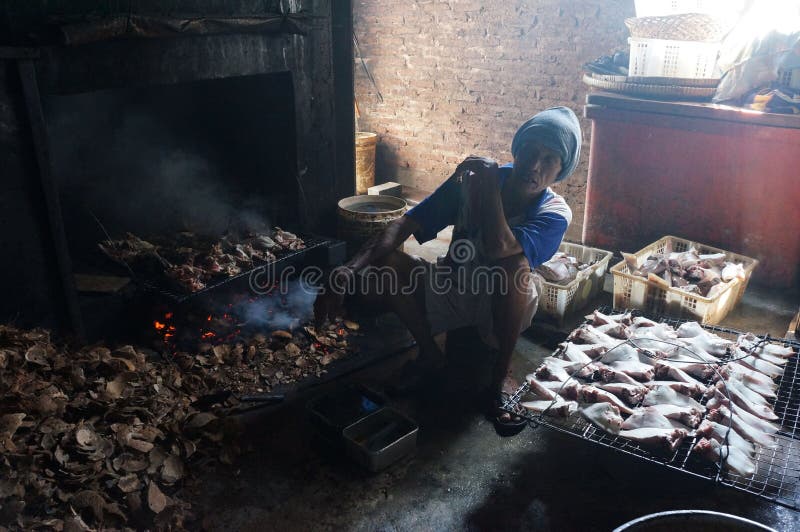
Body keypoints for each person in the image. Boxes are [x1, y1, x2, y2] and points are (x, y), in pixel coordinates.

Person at [314, 106, 581, 433]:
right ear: (517, 149)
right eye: (530, 151)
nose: (535, 166)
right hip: (453, 285)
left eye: (550, 159)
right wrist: (347, 269)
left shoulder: (555, 212)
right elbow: (404, 222)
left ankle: (499, 378)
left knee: (516, 271)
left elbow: (501, 248)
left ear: (561, 170)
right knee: (381, 267)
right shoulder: (472, 181)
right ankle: (430, 355)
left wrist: (490, 190)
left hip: (504, 303)